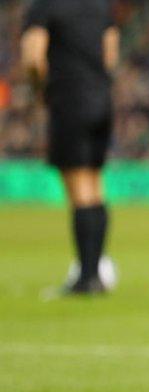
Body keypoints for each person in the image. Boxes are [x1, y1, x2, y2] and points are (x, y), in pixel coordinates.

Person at [21, 0, 119, 295]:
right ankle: (94, 270)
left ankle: (87, 277)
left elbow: (33, 56)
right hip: (101, 100)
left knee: (79, 189)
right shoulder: (101, 7)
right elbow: (111, 54)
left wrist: (40, 92)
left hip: (69, 99)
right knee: (95, 185)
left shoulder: (44, 6)